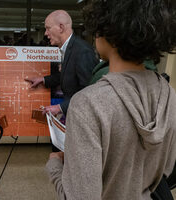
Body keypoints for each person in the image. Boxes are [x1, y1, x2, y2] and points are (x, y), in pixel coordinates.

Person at [46, 0, 176, 199]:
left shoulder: (88, 104)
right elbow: (166, 169)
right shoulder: (168, 95)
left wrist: (55, 166)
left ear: (107, 34)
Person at [25, 10, 98, 116]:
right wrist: (43, 80)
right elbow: (70, 76)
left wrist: (60, 108)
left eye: (48, 28)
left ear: (61, 27)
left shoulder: (82, 51)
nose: (46, 33)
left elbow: (89, 91)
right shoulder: (69, 48)